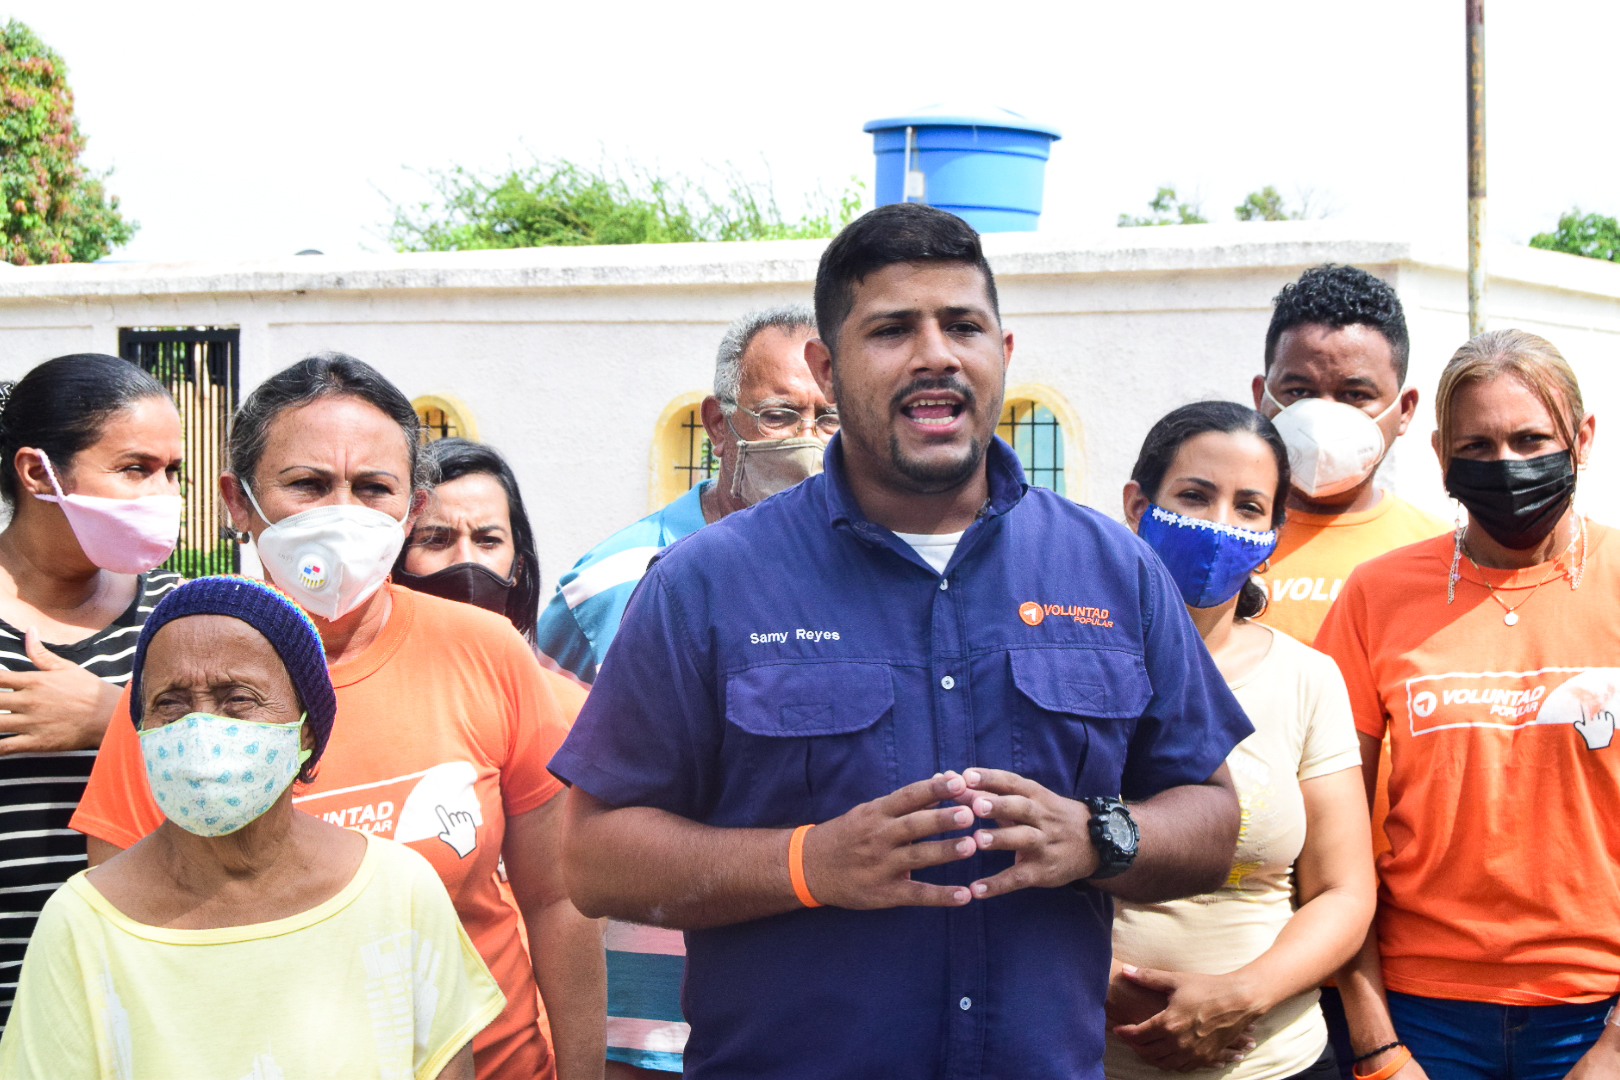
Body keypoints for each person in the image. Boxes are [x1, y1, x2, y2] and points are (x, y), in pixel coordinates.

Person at [550, 202, 1254, 1079]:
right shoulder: (707, 583)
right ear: (827, 366)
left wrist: (1095, 837)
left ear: (1004, 350)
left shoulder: (1116, 572)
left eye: (963, 325)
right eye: (891, 329)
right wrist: (809, 863)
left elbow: (1212, 817)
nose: (936, 355)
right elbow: (595, 858)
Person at [70, 354, 605, 1080]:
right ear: (239, 502)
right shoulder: (178, 685)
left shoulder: (486, 653)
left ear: (412, 510)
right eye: (308, 486)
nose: (342, 516)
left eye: (374, 488)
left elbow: (556, 897)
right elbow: (124, 941)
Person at [0, 575, 504, 1078]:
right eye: (170, 702)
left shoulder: (400, 891)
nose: (201, 726)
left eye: (237, 697)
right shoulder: (83, 924)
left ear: (306, 726)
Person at [535, 305, 836, 1078]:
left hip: (815, 1014)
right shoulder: (604, 586)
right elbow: (541, 804)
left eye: (828, 416)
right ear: (719, 424)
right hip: (644, 1030)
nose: (809, 437)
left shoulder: (868, 580)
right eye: (780, 415)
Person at [1317, 329, 1620, 1080]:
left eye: (1530, 439)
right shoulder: (1376, 595)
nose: (1507, 466)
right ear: (1441, 454)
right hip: (1422, 1010)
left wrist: (1616, 1047)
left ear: (1581, 439)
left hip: (1597, 1009)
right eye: (1478, 447)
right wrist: (1378, 1044)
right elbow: (1329, 836)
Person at [1106, 401, 1375, 1080]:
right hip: (1090, 1054)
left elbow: (1343, 892)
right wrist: (1102, 987)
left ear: (1273, 534)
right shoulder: (1064, 670)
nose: (1220, 524)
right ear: (1139, 504)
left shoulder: (1308, 678)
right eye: (1194, 496)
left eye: (1249, 507)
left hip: (1277, 1058)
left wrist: (1240, 996)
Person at [0, 354, 184, 1034]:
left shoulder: (182, 618)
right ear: (36, 472)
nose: (163, 494)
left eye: (172, 471)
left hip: (143, 1004)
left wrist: (111, 721)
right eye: (135, 468)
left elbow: (244, 784)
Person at [1251, 264, 1449, 646]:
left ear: (1404, 410)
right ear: (1262, 397)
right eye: (1299, 391)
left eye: (1355, 395)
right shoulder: (1217, 539)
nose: (1322, 416)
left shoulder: (1445, 556)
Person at [398, 437, 546, 646]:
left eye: (488, 540)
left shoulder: (539, 680)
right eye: (436, 540)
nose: (465, 561)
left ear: (519, 566)